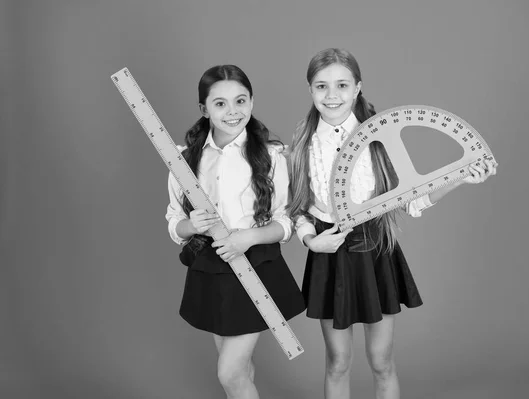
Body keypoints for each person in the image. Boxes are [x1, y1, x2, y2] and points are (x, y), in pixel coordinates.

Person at [287, 48, 497, 399]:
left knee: (381, 360)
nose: (332, 95)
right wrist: (311, 240)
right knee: (337, 361)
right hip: (329, 251)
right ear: (310, 91)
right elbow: (297, 209)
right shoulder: (301, 146)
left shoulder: (380, 139)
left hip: (376, 250)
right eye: (321, 86)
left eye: (342, 84)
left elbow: (414, 201)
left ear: (357, 88)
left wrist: (461, 177)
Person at [165, 64, 306, 399]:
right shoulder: (184, 160)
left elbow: (286, 221)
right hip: (211, 267)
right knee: (240, 370)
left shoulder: (273, 156)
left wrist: (249, 238)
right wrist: (191, 225)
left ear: (252, 103)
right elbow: (174, 220)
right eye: (220, 104)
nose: (233, 112)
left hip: (256, 265)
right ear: (204, 109)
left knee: (229, 373)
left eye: (240, 101)